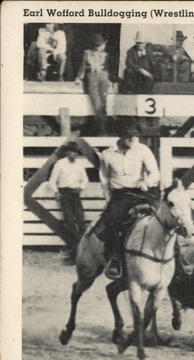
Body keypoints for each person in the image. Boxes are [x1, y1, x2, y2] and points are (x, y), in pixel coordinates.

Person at [99, 124, 160, 279]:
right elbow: (104, 179)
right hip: (120, 195)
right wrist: (108, 199)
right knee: (112, 222)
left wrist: (147, 183)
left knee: (163, 218)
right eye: (129, 137)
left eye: (135, 136)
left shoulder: (143, 150)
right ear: (120, 137)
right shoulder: (107, 154)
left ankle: (177, 259)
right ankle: (115, 259)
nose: (133, 140)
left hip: (141, 192)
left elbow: (154, 172)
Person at [48, 141, 89, 263]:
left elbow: (85, 180)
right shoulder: (60, 164)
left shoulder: (79, 164)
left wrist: (81, 187)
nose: (74, 154)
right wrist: (56, 192)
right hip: (64, 193)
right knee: (69, 220)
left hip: (75, 193)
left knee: (81, 220)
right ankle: (74, 246)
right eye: (71, 152)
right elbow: (52, 181)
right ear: (66, 153)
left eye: (76, 152)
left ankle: (84, 247)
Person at [74, 34, 111, 136]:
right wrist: (79, 77)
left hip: (103, 77)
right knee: (97, 104)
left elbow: (107, 68)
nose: (101, 47)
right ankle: (100, 129)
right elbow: (83, 66)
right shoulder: (87, 53)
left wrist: (110, 79)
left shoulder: (105, 55)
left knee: (104, 104)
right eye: (99, 45)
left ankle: (103, 129)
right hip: (92, 77)